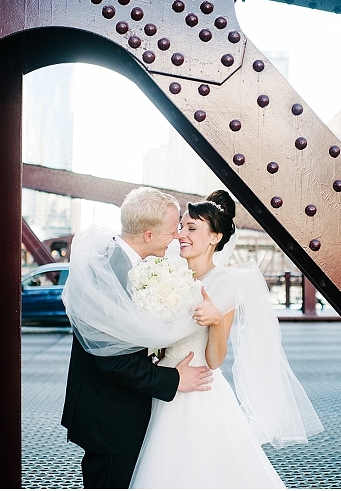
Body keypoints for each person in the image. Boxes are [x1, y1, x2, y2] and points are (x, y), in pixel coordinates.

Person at [130, 190, 325, 488]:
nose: (181, 234)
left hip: (198, 390)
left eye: (192, 228)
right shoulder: (164, 274)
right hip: (161, 382)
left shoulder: (227, 283)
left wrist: (217, 321)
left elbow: (215, 360)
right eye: (181, 227)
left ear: (214, 237)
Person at [62, 187, 214, 489]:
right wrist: (173, 379)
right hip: (110, 417)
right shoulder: (110, 272)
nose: (175, 237)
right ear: (148, 235)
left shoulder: (120, 261)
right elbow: (112, 359)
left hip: (116, 410)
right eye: (171, 231)